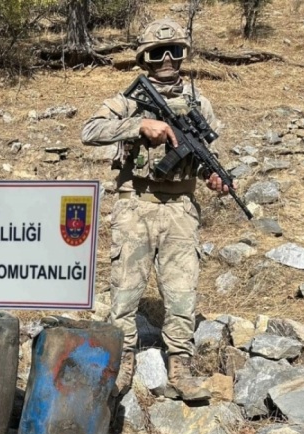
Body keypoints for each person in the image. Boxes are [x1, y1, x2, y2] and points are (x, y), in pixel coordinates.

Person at [81, 18, 231, 401]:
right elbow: (90, 130)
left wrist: (214, 178)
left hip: (180, 207)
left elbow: (204, 157)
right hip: (136, 205)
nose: (167, 59)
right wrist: (138, 126)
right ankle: (123, 360)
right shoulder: (128, 100)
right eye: (157, 53)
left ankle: (179, 364)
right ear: (143, 57)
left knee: (182, 292)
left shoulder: (200, 104)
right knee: (125, 291)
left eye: (175, 51)